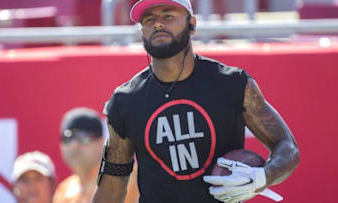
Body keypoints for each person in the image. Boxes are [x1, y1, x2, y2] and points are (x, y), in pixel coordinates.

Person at [92, 0, 300, 203]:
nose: (158, 23)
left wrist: (262, 177)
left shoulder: (232, 84)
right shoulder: (125, 101)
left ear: (192, 24)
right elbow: (113, 180)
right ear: (141, 31)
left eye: (168, 15)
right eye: (148, 19)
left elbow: (287, 147)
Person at [53, 107, 139, 203]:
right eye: (68, 137)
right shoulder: (64, 190)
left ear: (102, 142)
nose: (74, 145)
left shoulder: (128, 178)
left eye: (83, 137)